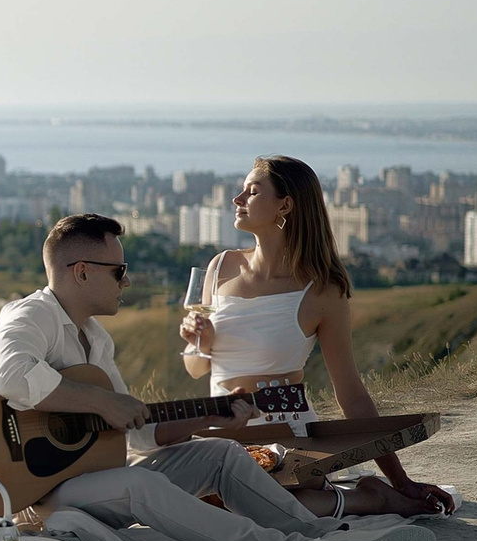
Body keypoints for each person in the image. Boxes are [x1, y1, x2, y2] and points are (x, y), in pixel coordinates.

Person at [0, 213, 433, 541]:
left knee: (220, 454)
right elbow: (11, 374)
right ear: (82, 272)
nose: (128, 281)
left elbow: (141, 435)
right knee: (141, 485)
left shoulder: (96, 341)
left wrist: (210, 415)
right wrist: (101, 401)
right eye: (118, 272)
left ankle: (327, 537)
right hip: (36, 493)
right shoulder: (31, 314)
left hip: (92, 478)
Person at [181, 156, 457, 518]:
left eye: (252, 191)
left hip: (284, 434)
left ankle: (376, 496)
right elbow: (197, 368)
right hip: (224, 428)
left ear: (285, 205)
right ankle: (354, 499)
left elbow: (350, 392)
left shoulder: (321, 290)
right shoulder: (220, 267)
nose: (238, 199)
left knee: (250, 508)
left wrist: (399, 479)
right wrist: (201, 343)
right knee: (197, 505)